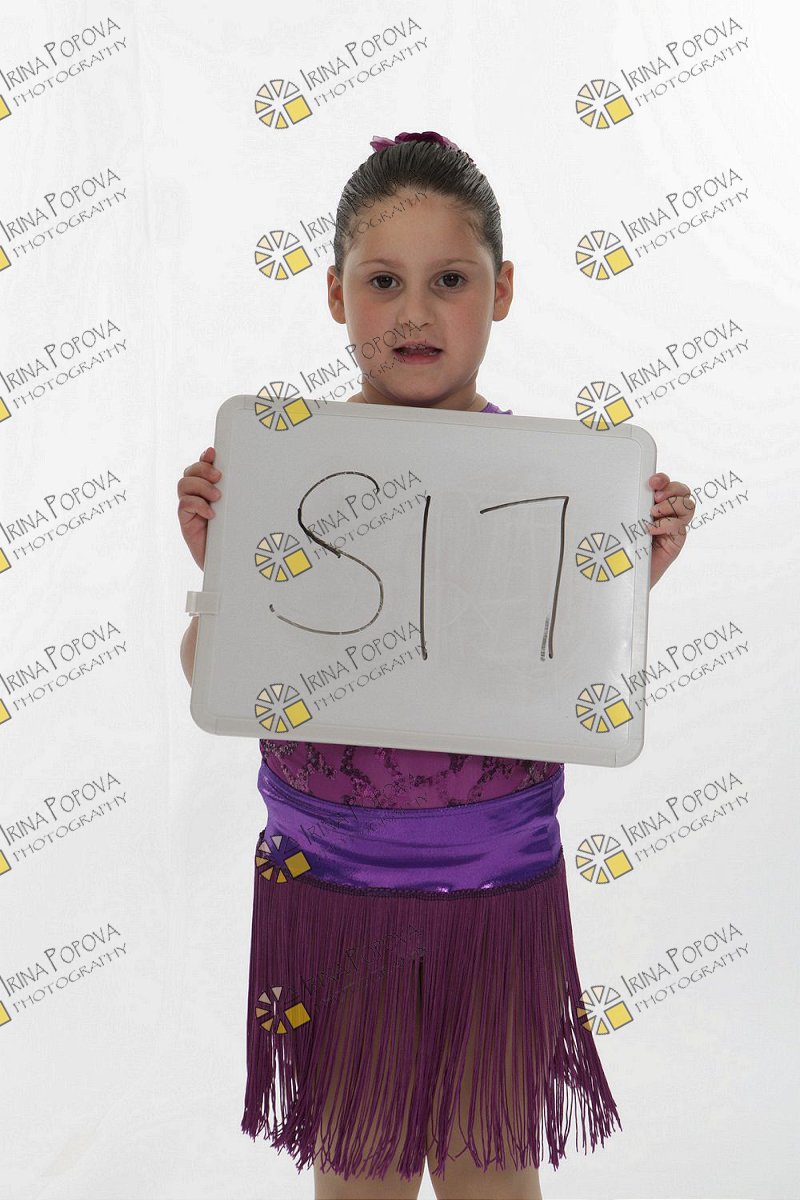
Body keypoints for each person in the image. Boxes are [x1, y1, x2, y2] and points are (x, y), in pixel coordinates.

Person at [177, 131, 695, 1200]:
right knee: (358, 1171)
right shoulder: (281, 467)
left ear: (500, 291)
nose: (414, 312)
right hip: (331, 887)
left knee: (489, 1171)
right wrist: (221, 579)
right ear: (335, 295)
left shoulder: (551, 479)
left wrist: (626, 581)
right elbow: (214, 681)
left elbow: (566, 686)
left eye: (449, 281)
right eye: (383, 282)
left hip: (497, 893)